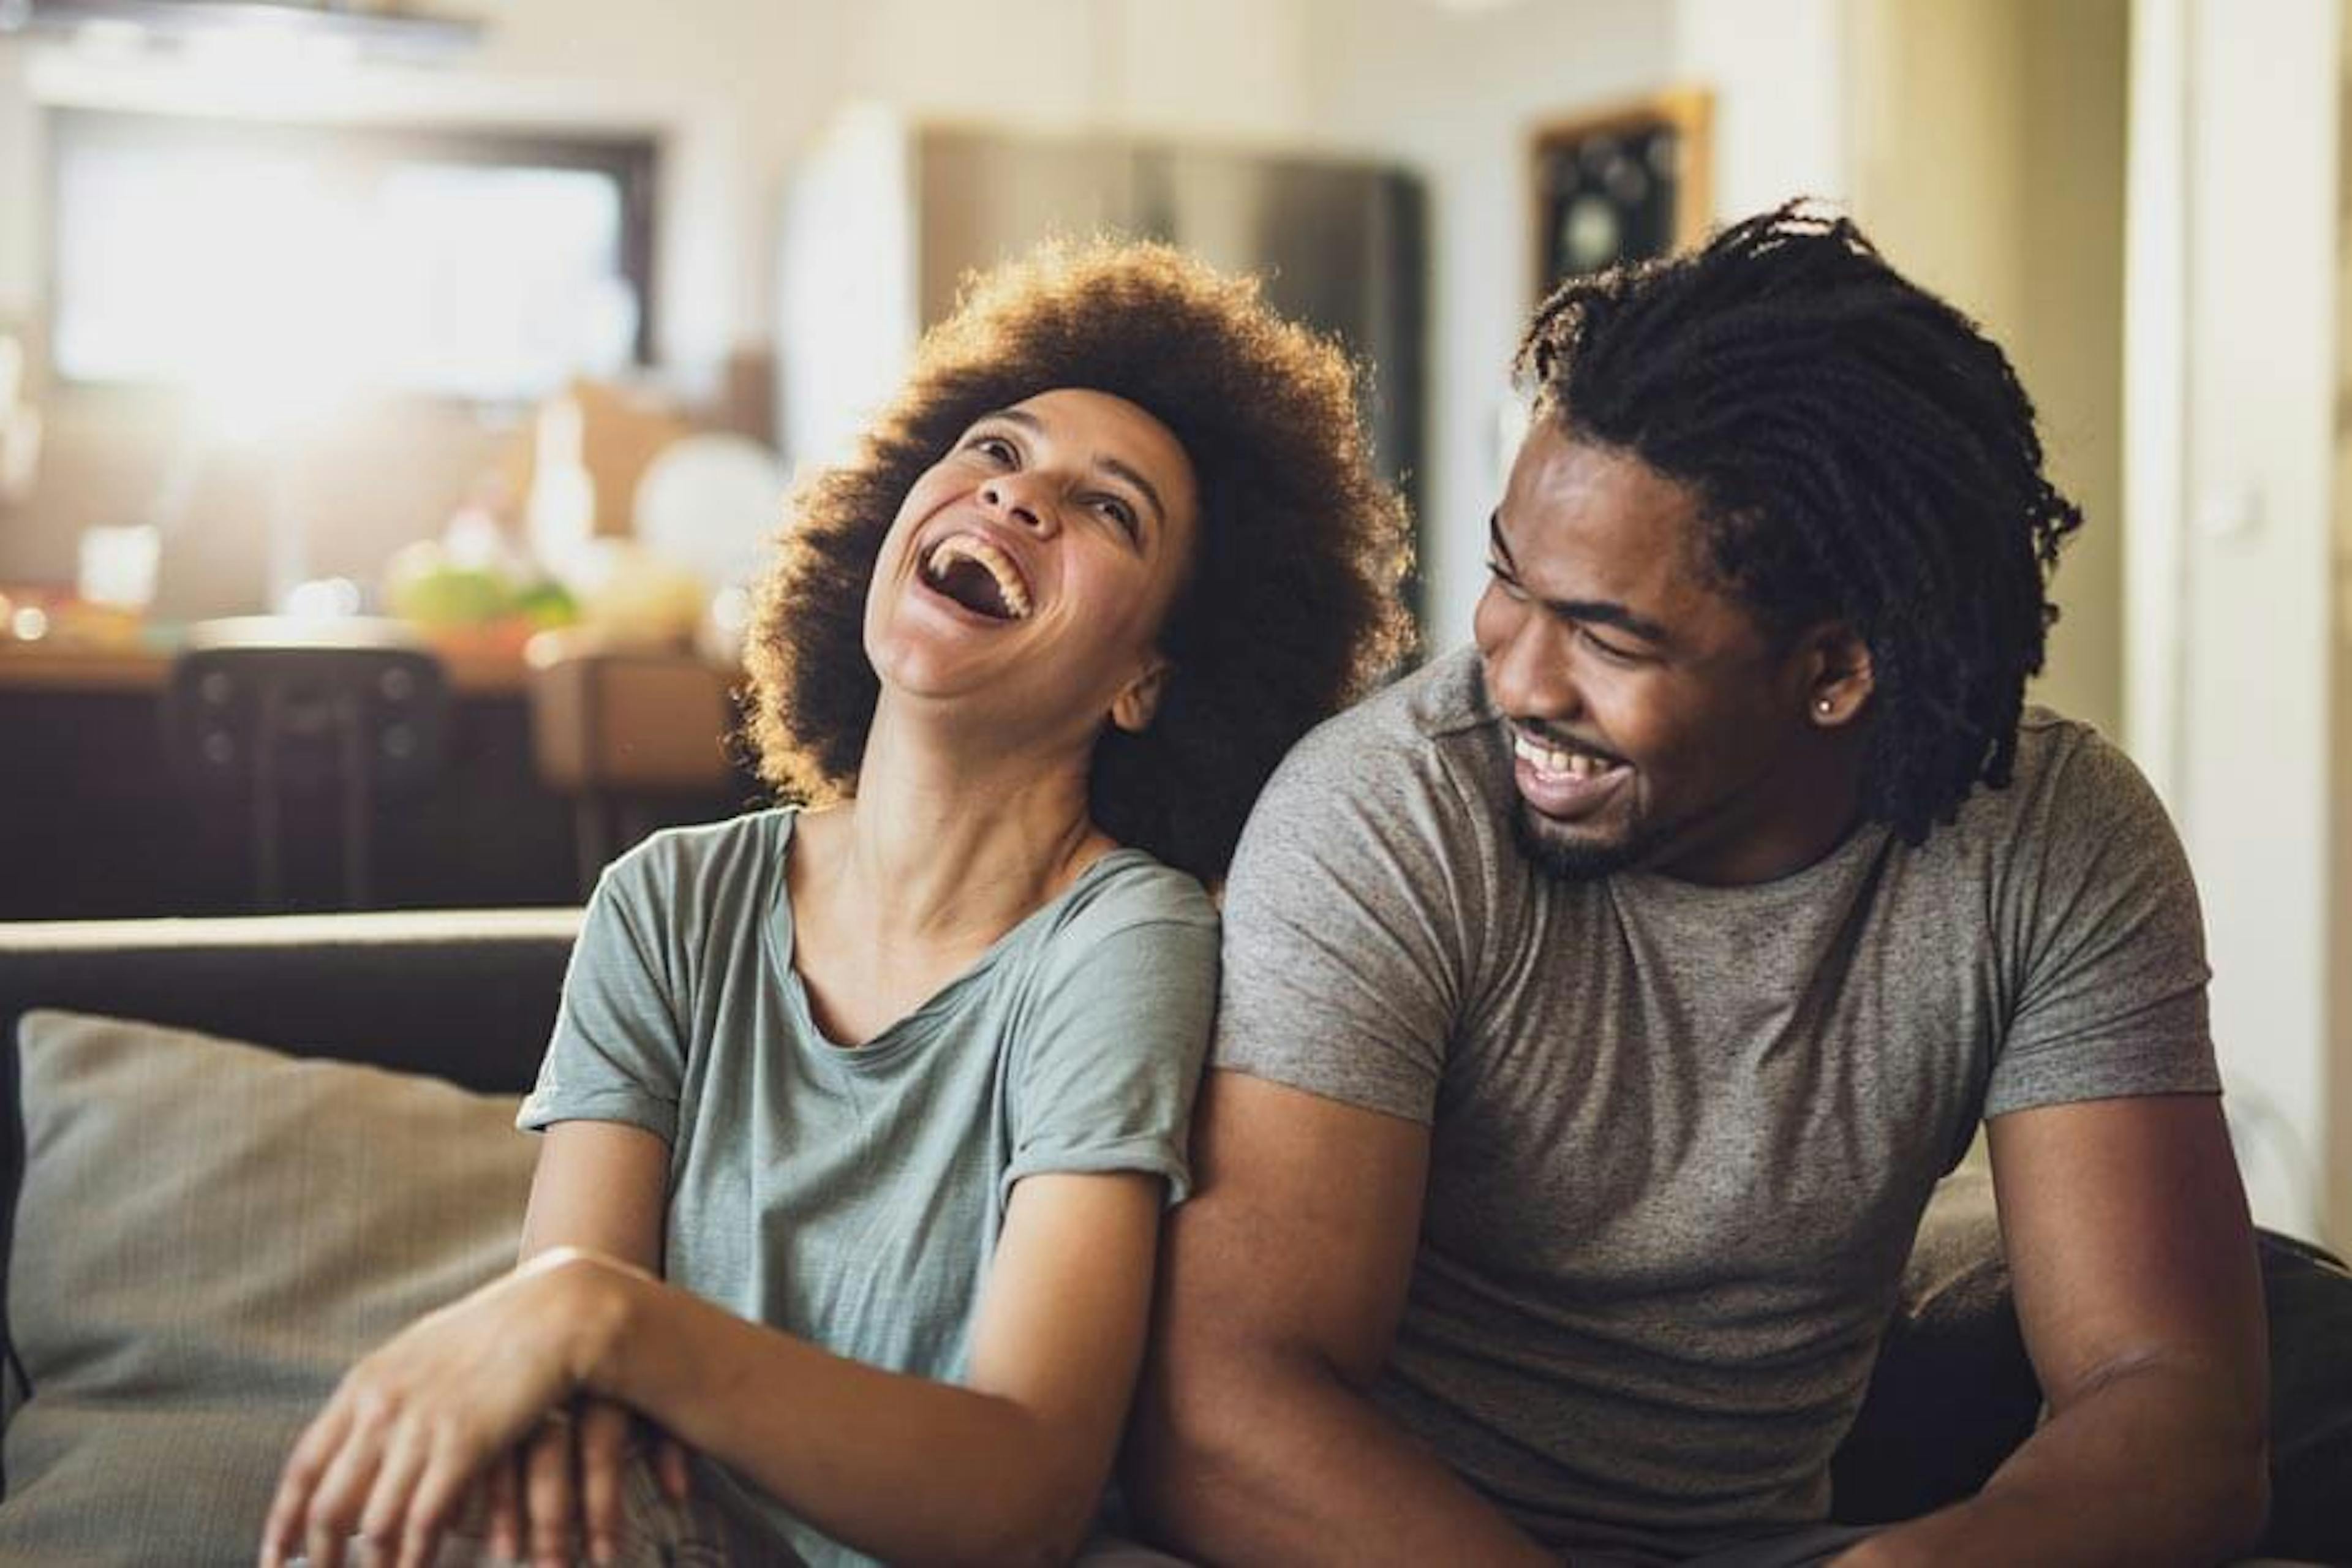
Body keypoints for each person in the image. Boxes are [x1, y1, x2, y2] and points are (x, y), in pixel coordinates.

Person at [1126, 202, 2270, 1567]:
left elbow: (2174, 1392)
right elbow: (1224, 1410)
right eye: (1508, 578)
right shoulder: (1392, 809)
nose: (1518, 673)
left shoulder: (2053, 840)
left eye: (1608, 636)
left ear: (1836, 671)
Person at [259, 238, 1414, 1568]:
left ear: (1148, 680)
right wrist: (576, 1340)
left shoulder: (1123, 941)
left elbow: (1022, 1485)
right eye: (994, 450)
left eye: (1112, 510)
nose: (1021, 497)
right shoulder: (668, 904)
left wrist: (608, 1319)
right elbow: (563, 1384)